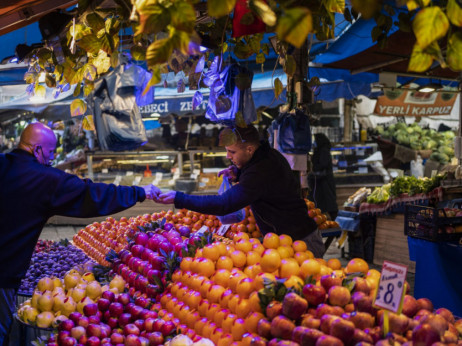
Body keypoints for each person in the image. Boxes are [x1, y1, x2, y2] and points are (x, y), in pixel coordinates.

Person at [0, 122, 161, 346]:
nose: (51, 159)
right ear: (37, 150)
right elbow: (91, 194)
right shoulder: (45, 179)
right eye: (49, 153)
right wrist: (139, 192)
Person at [158, 125, 325, 257]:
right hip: (285, 241)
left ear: (250, 150)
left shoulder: (260, 170)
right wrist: (238, 173)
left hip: (300, 242)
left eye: (232, 152)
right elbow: (262, 181)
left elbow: (224, 204)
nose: (228, 156)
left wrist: (178, 198)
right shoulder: (266, 156)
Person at [308, 133, 338, 220]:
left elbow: (322, 164)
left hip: (324, 182)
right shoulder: (321, 150)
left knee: (329, 204)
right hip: (321, 181)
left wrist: (314, 167)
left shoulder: (323, 151)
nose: (314, 142)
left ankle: (335, 223)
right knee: (326, 204)